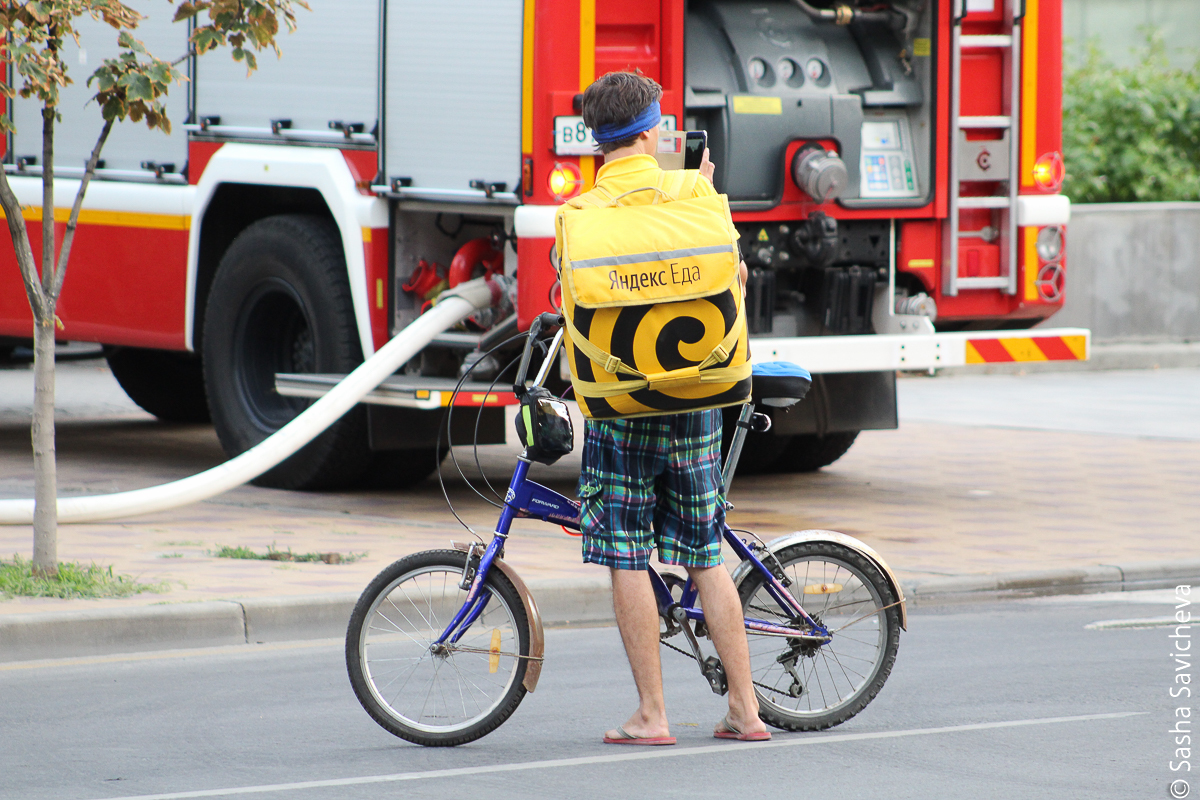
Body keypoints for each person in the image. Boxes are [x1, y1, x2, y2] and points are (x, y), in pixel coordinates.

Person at [571, 71, 769, 745]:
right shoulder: (698, 194)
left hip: (622, 403)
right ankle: (746, 711)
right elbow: (734, 281)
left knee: (627, 556)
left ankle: (653, 715)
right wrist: (700, 194)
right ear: (654, 132)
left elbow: (571, 303)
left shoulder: (582, 214)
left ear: (596, 140)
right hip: (698, 396)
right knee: (705, 555)